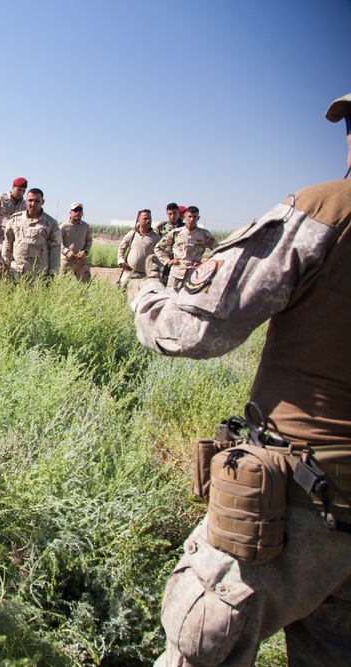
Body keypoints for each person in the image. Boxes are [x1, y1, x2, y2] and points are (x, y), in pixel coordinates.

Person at [134, 92, 351, 666]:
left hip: (303, 502)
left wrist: (149, 298)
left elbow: (195, 330)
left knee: (201, 640)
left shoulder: (326, 210)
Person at [153, 205, 218, 290]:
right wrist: (168, 261)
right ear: (184, 217)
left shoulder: (204, 235)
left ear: (198, 218)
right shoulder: (176, 233)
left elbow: (218, 251)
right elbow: (158, 248)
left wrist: (205, 264)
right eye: (189, 216)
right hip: (177, 273)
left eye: (194, 217)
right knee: (171, 298)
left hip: (195, 274)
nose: (191, 219)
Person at [2, 187, 60, 278]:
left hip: (39, 274)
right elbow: (7, 242)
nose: (33, 204)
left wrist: (53, 272)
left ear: (43, 202)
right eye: (30, 200)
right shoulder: (15, 219)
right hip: (16, 271)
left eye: (37, 201)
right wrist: (5, 262)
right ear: (26, 201)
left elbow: (55, 249)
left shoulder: (51, 223)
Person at [0, 178, 28, 278]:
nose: (21, 193)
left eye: (23, 191)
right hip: (0, 240)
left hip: (16, 241)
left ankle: (8, 290)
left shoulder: (25, 204)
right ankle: (0, 289)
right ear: (13, 187)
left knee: (14, 270)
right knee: (2, 267)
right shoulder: (1, 198)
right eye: (19, 190)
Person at [116, 209, 161, 301]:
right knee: (123, 293)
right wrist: (121, 261)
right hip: (130, 271)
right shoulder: (132, 234)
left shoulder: (156, 237)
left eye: (149, 218)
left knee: (143, 297)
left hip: (146, 274)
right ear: (138, 220)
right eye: (145, 218)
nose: (148, 221)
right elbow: (122, 248)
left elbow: (160, 252)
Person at [59, 202, 93, 283]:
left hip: (81, 260)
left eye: (80, 211)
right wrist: (66, 251)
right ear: (70, 212)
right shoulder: (63, 226)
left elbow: (89, 241)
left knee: (85, 283)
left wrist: (85, 251)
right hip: (66, 260)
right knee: (63, 284)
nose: (77, 213)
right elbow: (58, 242)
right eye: (75, 210)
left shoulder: (86, 226)